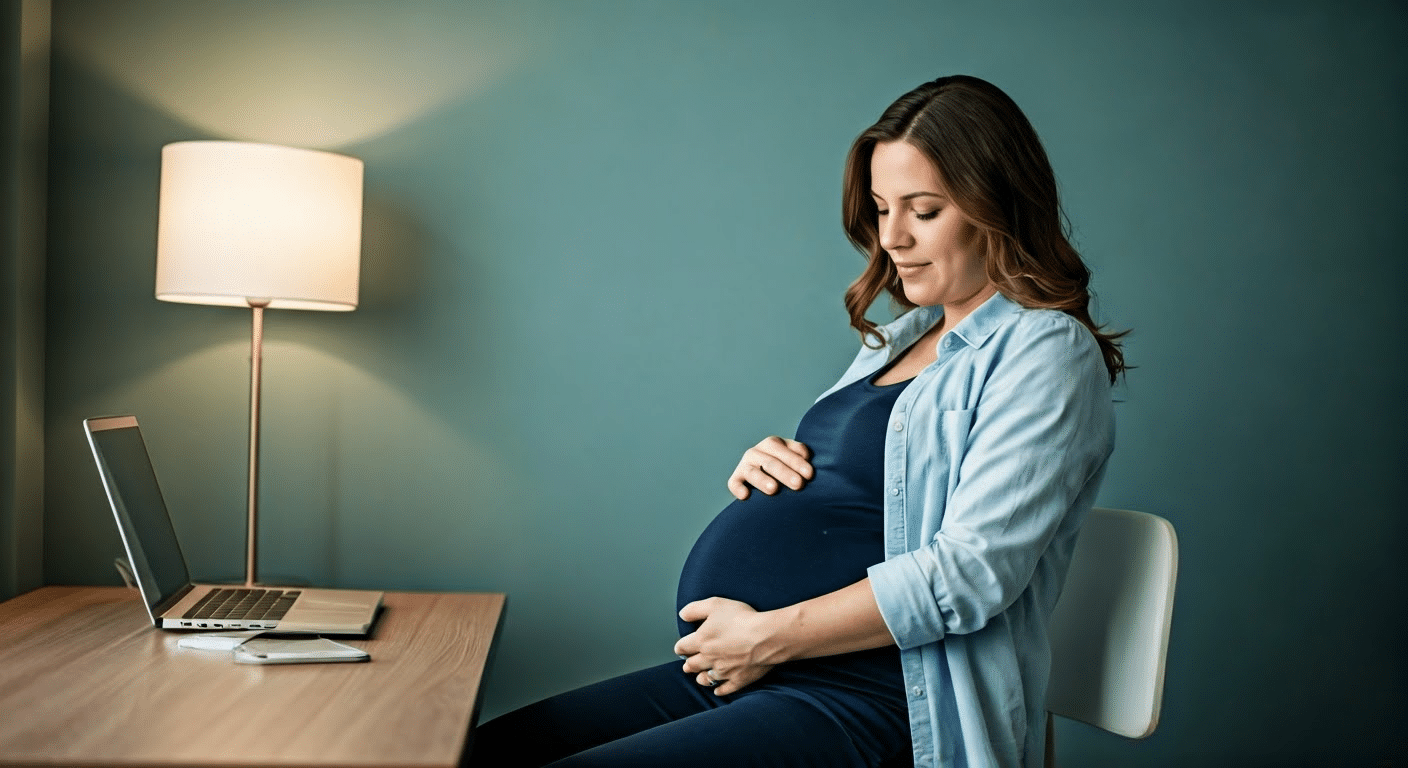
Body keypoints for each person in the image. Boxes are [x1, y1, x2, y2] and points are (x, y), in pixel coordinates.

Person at [466, 74, 1125, 768]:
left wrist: (767, 635)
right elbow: (870, 492)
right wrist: (778, 464)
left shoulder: (1046, 350)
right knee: (479, 751)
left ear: (999, 208)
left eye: (924, 210)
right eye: (879, 209)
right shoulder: (904, 336)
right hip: (760, 674)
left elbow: (972, 573)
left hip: (879, 700)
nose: (893, 237)